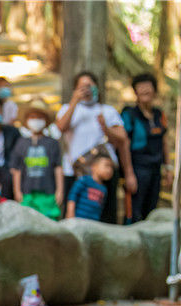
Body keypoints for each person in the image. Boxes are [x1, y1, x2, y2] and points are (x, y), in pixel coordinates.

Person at [56, 71, 136, 224]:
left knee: (106, 217)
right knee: (74, 215)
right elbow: (61, 127)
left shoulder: (108, 111)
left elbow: (123, 139)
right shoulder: (67, 108)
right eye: (81, 86)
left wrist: (105, 128)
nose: (86, 89)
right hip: (75, 172)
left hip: (104, 173)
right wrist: (75, 100)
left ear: (97, 87)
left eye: (89, 85)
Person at [121, 73, 169, 222]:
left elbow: (164, 141)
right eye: (140, 87)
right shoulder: (129, 114)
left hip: (155, 169)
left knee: (151, 211)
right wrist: (128, 173)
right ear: (135, 91)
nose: (145, 90)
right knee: (133, 213)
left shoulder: (159, 114)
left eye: (148, 87)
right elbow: (124, 144)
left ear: (155, 90)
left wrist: (168, 168)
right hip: (137, 169)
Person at [10, 99, 63, 220]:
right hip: (27, 193)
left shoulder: (52, 143)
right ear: (27, 120)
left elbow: (58, 167)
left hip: (48, 193)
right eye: (32, 117)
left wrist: (59, 191)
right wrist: (17, 191)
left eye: (39, 117)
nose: (36, 120)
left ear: (46, 120)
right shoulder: (21, 142)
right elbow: (16, 169)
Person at [66, 154, 114, 221]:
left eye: (111, 167)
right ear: (94, 166)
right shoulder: (84, 180)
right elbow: (72, 197)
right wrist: (70, 215)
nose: (109, 170)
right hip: (77, 221)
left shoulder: (104, 189)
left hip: (92, 224)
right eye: (106, 166)